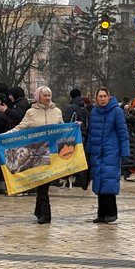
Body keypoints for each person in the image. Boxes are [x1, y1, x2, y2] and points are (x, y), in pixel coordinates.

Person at [13, 86, 63, 224]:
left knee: (44, 184)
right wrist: (2, 137)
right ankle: (43, 213)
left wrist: (74, 126)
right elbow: (20, 128)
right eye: (45, 95)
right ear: (38, 97)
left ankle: (42, 213)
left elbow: (63, 128)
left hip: (52, 153)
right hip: (37, 154)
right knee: (41, 183)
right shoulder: (31, 112)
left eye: (49, 95)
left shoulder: (57, 111)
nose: (47, 98)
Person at [87, 87, 130, 223]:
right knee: (99, 181)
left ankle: (111, 213)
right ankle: (101, 214)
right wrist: (88, 149)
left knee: (109, 181)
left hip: (111, 150)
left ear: (109, 97)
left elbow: (123, 132)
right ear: (96, 98)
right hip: (97, 151)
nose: (102, 99)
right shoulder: (94, 112)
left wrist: (125, 151)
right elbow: (91, 132)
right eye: (100, 96)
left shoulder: (117, 111)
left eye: (104, 96)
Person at [63, 88, 90, 189]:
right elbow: (87, 123)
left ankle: (73, 179)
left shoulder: (72, 108)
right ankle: (82, 180)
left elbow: (67, 123)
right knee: (81, 158)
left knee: (71, 158)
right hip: (84, 135)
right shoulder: (84, 108)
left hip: (73, 137)